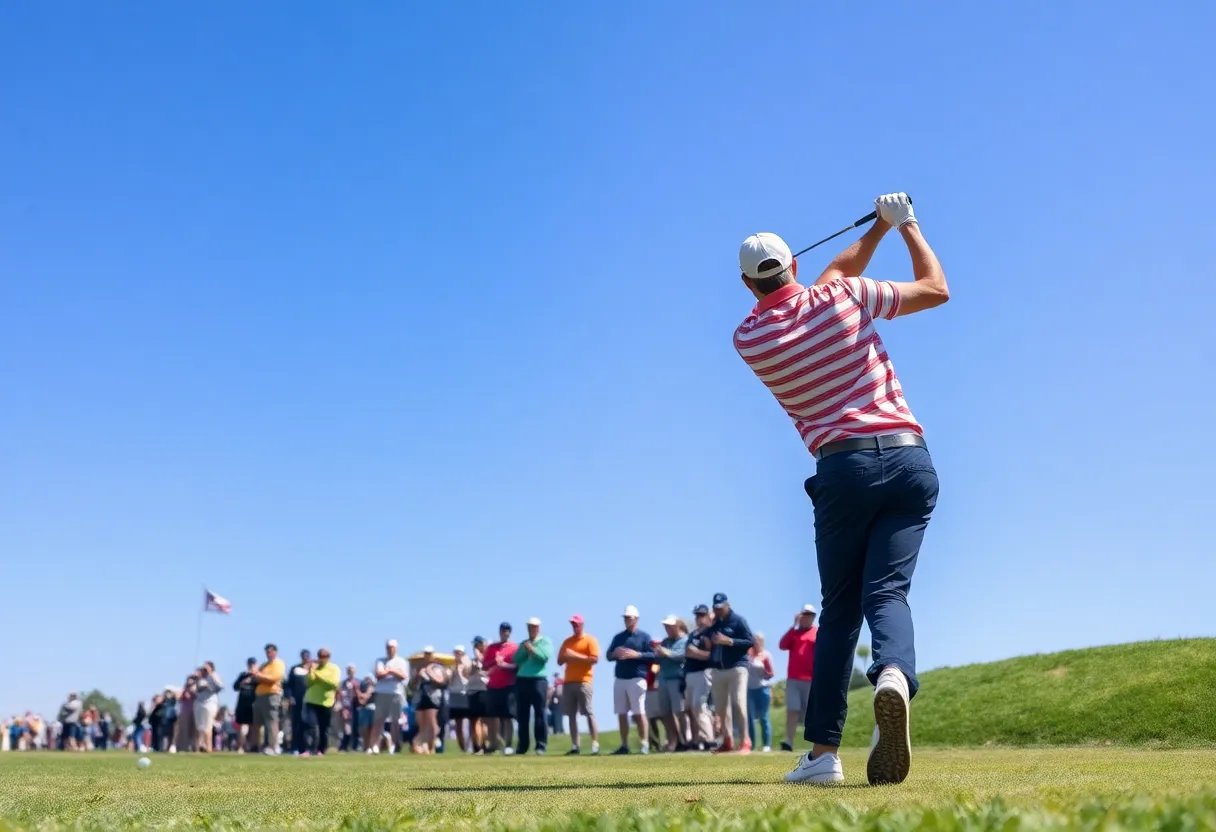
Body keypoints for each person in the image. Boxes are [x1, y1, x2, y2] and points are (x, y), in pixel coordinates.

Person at [732, 194, 946, 786]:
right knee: (889, 594)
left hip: (843, 471)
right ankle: (894, 676)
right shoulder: (843, 296)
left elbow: (827, 278)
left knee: (840, 610)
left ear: (748, 285)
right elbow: (935, 287)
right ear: (793, 267)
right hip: (909, 460)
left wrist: (876, 229)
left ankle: (824, 755)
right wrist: (903, 226)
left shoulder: (749, 337)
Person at [706, 593, 755, 754]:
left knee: (739, 703)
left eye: (720, 607)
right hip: (719, 669)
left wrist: (730, 641)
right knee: (721, 709)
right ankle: (727, 741)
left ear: (728, 605)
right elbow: (707, 638)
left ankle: (745, 740)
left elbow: (750, 641)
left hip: (737, 668)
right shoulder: (716, 624)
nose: (718, 611)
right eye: (715, 608)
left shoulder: (738, 621)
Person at [606, 605, 655, 755]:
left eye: (629, 618)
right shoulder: (618, 637)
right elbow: (608, 655)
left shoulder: (644, 637)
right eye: (625, 618)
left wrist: (637, 655)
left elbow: (653, 656)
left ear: (636, 619)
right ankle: (624, 745)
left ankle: (644, 744)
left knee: (639, 712)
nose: (627, 620)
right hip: (621, 678)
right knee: (621, 713)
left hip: (637, 678)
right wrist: (614, 654)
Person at [557, 614, 600, 756]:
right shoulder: (567, 642)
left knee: (588, 712)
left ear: (582, 624)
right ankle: (575, 745)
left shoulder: (590, 640)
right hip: (569, 681)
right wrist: (566, 656)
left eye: (576, 624)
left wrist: (574, 656)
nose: (574, 626)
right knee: (571, 714)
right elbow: (560, 660)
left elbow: (594, 659)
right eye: (572, 624)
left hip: (584, 681)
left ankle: (595, 744)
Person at [778, 605, 818, 751]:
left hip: (811, 679)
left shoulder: (817, 632)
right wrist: (792, 625)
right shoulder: (793, 633)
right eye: (805, 614)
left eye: (810, 615)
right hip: (794, 679)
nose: (807, 617)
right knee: (792, 710)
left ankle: (816, 743)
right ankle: (789, 741)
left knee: (811, 712)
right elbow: (782, 645)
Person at [512, 617, 552, 755]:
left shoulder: (545, 641)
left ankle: (540, 745)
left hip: (538, 680)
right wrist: (525, 650)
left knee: (540, 713)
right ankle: (522, 746)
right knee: (522, 714)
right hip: (522, 679)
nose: (532, 629)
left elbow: (545, 657)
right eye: (530, 627)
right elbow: (516, 658)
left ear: (538, 628)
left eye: (534, 627)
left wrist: (532, 650)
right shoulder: (524, 643)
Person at [654, 616, 690, 752]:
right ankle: (674, 740)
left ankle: (685, 740)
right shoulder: (665, 641)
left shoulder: (685, 640)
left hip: (677, 679)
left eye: (669, 626)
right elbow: (657, 660)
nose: (667, 629)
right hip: (663, 679)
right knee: (666, 712)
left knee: (680, 712)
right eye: (665, 626)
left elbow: (682, 656)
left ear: (677, 626)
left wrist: (666, 653)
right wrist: (658, 654)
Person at [682, 605, 715, 751]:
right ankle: (699, 739)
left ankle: (710, 739)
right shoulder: (693, 634)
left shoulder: (711, 633)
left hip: (703, 672)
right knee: (692, 708)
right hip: (690, 673)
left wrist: (695, 653)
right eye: (697, 616)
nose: (699, 618)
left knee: (699, 706)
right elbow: (687, 652)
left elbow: (711, 656)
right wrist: (694, 653)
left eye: (702, 615)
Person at [367, 639, 408, 754]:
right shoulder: (380, 661)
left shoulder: (401, 661)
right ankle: (373, 745)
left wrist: (390, 671)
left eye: (393, 647)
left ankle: (394, 746)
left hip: (396, 693)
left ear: (396, 648)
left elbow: (403, 676)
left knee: (395, 721)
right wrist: (393, 672)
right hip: (381, 693)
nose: (390, 649)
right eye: (388, 647)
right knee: (378, 720)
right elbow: (379, 675)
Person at [483, 623, 518, 755]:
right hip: (493, 685)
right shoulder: (492, 648)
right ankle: (493, 744)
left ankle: (508, 745)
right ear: (499, 632)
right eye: (503, 631)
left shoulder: (514, 648)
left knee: (508, 717)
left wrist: (504, 665)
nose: (505, 633)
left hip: (508, 685)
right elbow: (484, 666)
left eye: (507, 631)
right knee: (492, 717)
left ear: (510, 633)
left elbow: (517, 666)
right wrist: (494, 661)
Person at [302, 648, 340, 756]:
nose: (321, 658)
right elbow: (309, 683)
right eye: (320, 656)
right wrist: (311, 671)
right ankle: (308, 750)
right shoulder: (314, 668)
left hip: (326, 702)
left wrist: (318, 675)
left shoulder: (334, 668)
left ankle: (320, 750)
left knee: (324, 728)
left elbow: (333, 684)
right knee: (310, 725)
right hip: (311, 700)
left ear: (328, 657)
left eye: (324, 656)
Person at [412, 647, 447, 754]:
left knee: (432, 725)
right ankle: (424, 748)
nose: (427, 656)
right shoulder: (420, 668)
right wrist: (417, 676)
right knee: (421, 725)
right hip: (421, 697)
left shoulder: (438, 667)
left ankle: (431, 748)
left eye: (429, 654)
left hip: (433, 697)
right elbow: (412, 685)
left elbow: (440, 681)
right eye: (426, 654)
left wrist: (429, 671)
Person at [252, 643, 286, 755]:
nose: (268, 654)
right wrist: (258, 675)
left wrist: (260, 676)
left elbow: (274, 678)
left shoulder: (278, 663)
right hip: (260, 695)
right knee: (260, 723)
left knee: (272, 721)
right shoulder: (264, 665)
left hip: (272, 695)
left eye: (271, 651)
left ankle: (273, 746)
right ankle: (260, 746)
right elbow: (256, 677)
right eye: (267, 652)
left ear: (275, 652)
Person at [747, 634, 776, 753]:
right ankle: (752, 745)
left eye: (757, 641)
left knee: (764, 717)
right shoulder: (748, 655)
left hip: (763, 689)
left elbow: (771, 673)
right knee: (750, 718)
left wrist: (764, 670)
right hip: (749, 689)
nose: (755, 643)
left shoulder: (766, 655)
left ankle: (766, 745)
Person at [447, 646, 473, 752]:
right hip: (454, 695)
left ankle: (469, 747)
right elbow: (449, 682)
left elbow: (466, 681)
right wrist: (454, 671)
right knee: (458, 725)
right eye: (456, 653)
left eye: (460, 653)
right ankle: (463, 748)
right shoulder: (451, 666)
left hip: (464, 695)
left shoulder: (467, 665)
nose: (458, 655)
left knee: (466, 724)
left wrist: (461, 670)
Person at [466, 637, 489, 753]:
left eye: (479, 644)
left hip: (483, 690)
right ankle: (477, 746)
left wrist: (477, 652)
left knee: (483, 720)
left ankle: (483, 745)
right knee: (474, 720)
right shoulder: (471, 660)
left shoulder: (487, 657)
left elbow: (484, 663)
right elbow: (467, 674)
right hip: (472, 691)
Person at [194, 661, 223, 753]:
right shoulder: (201, 678)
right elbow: (197, 689)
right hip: (199, 702)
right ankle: (199, 746)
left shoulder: (214, 675)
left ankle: (209, 747)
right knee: (199, 726)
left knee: (208, 725)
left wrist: (210, 674)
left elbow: (220, 687)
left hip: (210, 703)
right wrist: (197, 677)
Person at [287, 649, 312, 755]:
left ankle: (309, 747)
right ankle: (295, 747)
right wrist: (290, 697)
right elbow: (288, 685)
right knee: (296, 724)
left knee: (309, 724)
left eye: (307, 656)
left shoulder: (313, 669)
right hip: (297, 701)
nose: (305, 657)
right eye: (304, 656)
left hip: (311, 700)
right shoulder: (295, 669)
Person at [232, 657, 258, 753]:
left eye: (253, 664)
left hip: (253, 703)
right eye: (250, 664)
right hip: (242, 703)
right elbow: (235, 687)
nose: (251, 666)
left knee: (253, 727)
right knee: (242, 726)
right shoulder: (243, 675)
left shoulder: (258, 676)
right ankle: (240, 747)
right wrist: (243, 681)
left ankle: (251, 746)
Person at [338, 664, 361, 752]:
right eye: (349, 670)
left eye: (352, 669)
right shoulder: (343, 683)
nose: (350, 671)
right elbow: (340, 694)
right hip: (346, 707)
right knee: (346, 727)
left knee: (356, 727)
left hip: (356, 706)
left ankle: (354, 746)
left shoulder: (359, 682)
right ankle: (344, 746)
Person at [174, 675, 197, 752]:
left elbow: (196, 696)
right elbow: (178, 697)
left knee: (194, 731)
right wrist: (184, 690)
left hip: (195, 711)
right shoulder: (183, 690)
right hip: (184, 712)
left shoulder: (196, 688)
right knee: (184, 731)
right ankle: (183, 747)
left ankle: (194, 746)